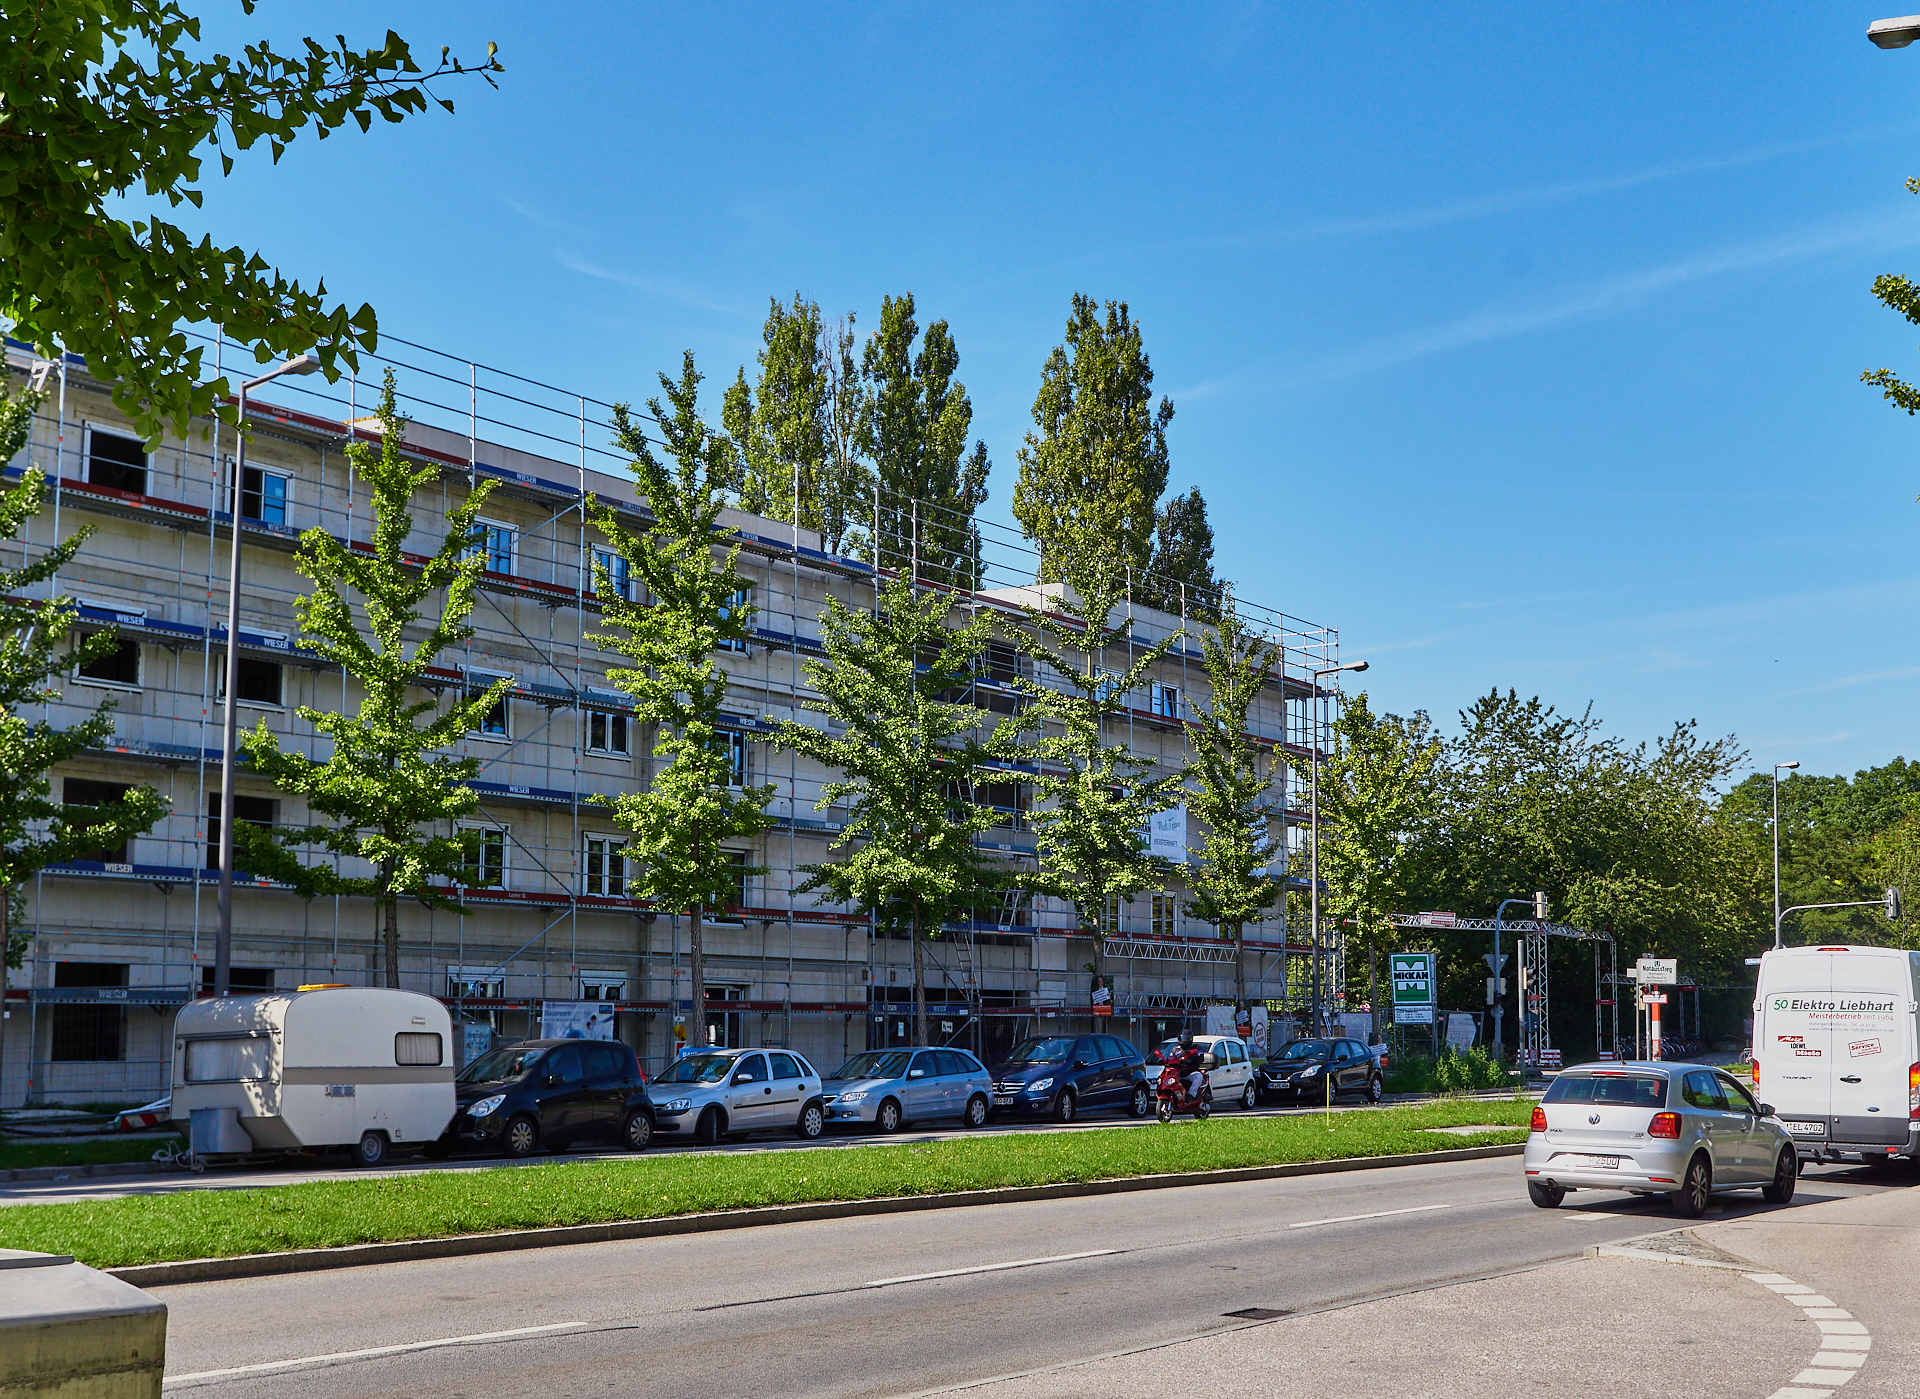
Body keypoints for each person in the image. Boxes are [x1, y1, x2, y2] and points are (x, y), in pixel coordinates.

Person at [1175, 1032, 1207, 1104]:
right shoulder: (1175, 1049)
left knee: (1198, 1076)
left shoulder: (1196, 1048)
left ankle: (1191, 1095)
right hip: (1178, 1073)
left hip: (1190, 1072)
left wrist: (1193, 1058)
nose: (1184, 1041)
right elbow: (1170, 1057)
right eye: (1183, 1039)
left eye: (1186, 1039)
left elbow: (1201, 1057)